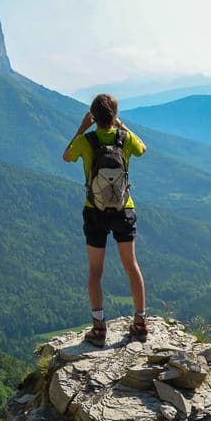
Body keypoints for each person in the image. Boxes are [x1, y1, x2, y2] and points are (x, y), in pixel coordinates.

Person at [62, 93, 149, 345]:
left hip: (94, 211)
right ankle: (140, 322)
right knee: (131, 265)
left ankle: (99, 329)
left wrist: (80, 129)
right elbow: (143, 149)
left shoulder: (87, 140)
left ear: (93, 116)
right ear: (114, 115)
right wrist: (122, 126)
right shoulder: (125, 139)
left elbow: (66, 156)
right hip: (124, 209)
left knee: (95, 271)